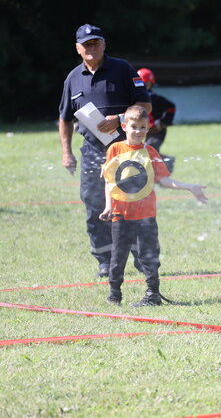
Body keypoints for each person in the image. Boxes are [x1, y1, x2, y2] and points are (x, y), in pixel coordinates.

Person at [58, 24, 151, 278]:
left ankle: (141, 258)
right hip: (92, 151)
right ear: (78, 49)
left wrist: (119, 117)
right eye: (86, 45)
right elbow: (65, 118)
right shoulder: (73, 78)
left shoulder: (123, 69)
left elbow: (145, 105)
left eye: (96, 43)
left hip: (127, 150)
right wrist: (67, 152)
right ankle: (104, 259)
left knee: (133, 203)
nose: (92, 48)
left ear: (104, 44)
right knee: (94, 203)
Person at [100, 106, 207, 306]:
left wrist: (189, 187)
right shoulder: (114, 150)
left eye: (143, 127)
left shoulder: (150, 152)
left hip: (146, 215)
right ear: (124, 126)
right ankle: (114, 294)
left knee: (149, 255)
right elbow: (109, 181)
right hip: (120, 214)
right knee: (118, 256)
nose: (138, 131)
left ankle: (153, 295)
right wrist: (108, 206)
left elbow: (165, 180)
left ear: (148, 128)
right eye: (134, 127)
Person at [137, 67, 176, 172]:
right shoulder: (136, 98)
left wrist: (164, 122)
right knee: (149, 151)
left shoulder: (154, 98)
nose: (143, 87)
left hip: (158, 130)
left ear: (150, 84)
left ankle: (167, 163)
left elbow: (171, 107)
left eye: (145, 84)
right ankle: (154, 175)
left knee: (149, 150)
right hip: (145, 130)